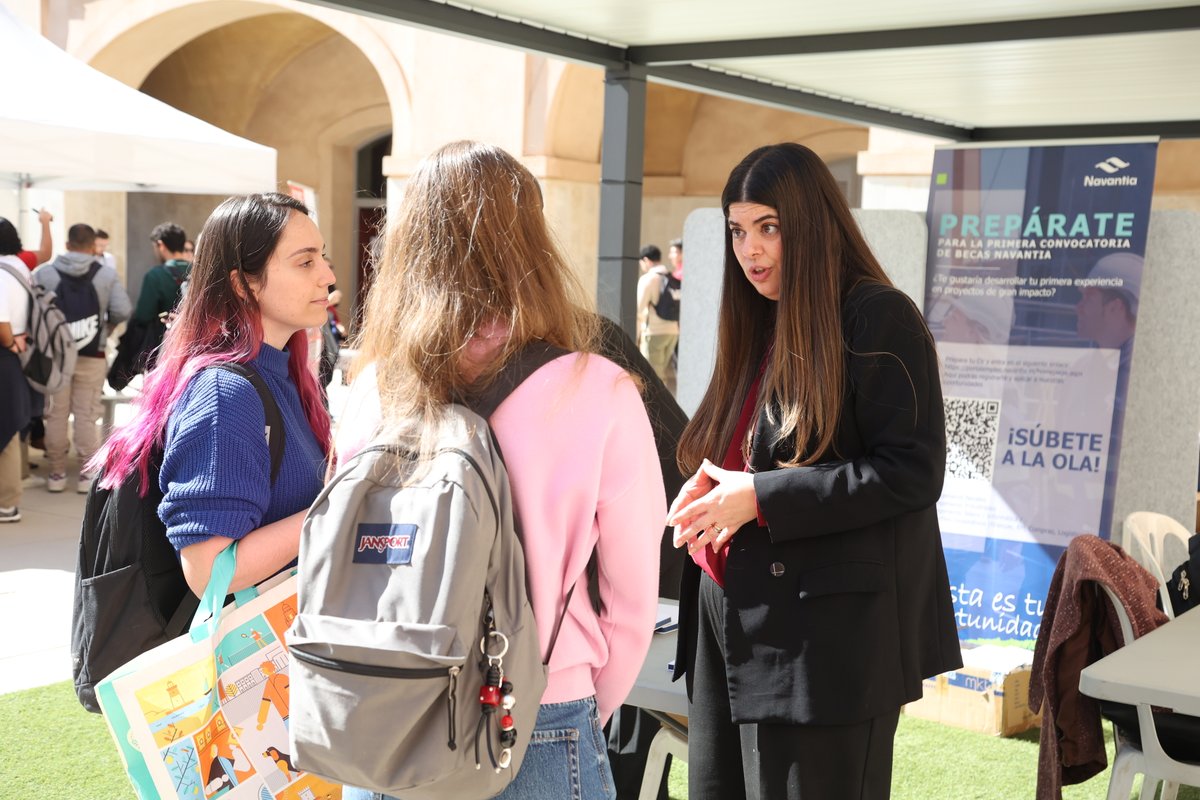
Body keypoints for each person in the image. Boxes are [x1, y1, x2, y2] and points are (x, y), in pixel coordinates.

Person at [334, 140, 664, 800]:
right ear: (532, 241)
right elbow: (631, 599)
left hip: (389, 709)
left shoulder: (374, 387)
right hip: (537, 705)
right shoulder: (598, 388)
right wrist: (575, 698)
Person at [667, 142, 961, 800]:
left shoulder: (877, 316)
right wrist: (715, 484)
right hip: (727, 615)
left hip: (824, 642)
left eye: (768, 227)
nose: (750, 250)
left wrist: (762, 498)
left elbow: (912, 472)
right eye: (738, 231)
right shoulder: (759, 317)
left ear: (811, 222)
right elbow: (760, 450)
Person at [89, 193, 334, 596]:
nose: (326, 275)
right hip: (248, 633)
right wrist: (337, 508)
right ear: (243, 283)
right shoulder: (225, 394)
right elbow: (210, 571)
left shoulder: (283, 372)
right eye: (305, 262)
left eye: (322, 257)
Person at [34, 223, 131, 494]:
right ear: (92, 247)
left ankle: (56, 472)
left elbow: (34, 311)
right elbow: (123, 310)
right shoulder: (105, 274)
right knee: (87, 414)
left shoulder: (45, 273)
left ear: (67, 245)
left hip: (55, 356)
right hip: (93, 354)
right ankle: (87, 474)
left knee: (56, 413)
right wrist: (104, 331)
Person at [108, 222, 190, 389]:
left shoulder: (155, 276)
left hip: (161, 351)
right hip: (194, 348)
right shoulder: (199, 271)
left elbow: (143, 315)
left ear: (161, 245)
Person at [0, 219, 33, 522]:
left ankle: (7, 503)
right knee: (12, 421)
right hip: (19, 353)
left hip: (6, 351)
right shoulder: (20, 266)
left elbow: (2, 323)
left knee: (6, 427)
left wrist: (9, 341)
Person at [635, 244, 680, 392]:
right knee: (661, 374)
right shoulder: (671, 277)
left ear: (646, 260)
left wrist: (637, 335)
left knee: (651, 377)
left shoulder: (648, 279)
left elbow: (639, 309)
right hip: (673, 332)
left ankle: (657, 405)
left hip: (654, 333)